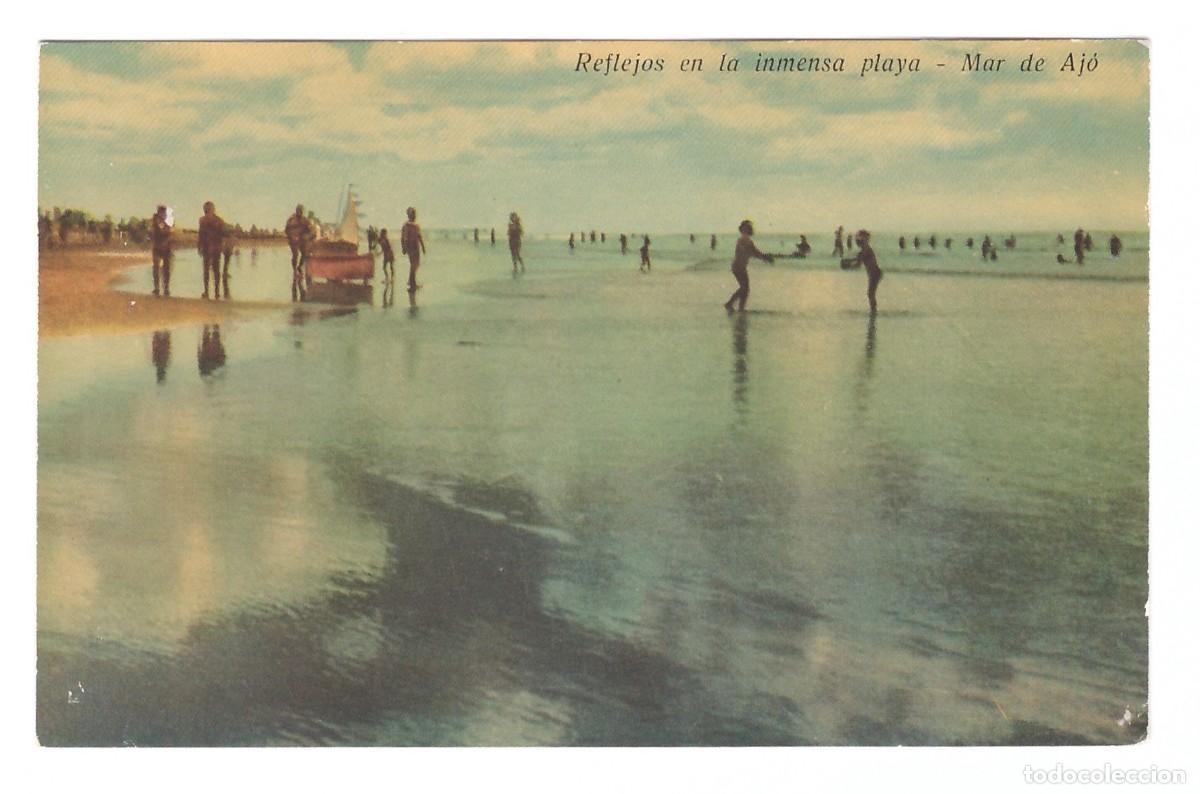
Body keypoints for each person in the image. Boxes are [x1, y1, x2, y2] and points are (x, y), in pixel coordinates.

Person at [724, 220, 774, 311]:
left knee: (745, 288)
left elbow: (754, 252)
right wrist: (765, 257)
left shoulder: (745, 239)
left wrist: (765, 257)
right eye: (748, 227)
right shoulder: (744, 239)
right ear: (744, 229)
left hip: (740, 266)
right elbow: (754, 252)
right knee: (745, 288)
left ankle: (739, 307)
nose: (750, 228)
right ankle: (731, 304)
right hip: (738, 267)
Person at [842, 229, 882, 314]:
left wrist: (848, 265)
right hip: (873, 273)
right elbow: (858, 261)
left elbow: (858, 263)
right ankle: (873, 310)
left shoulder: (866, 249)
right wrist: (848, 262)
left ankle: (873, 311)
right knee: (870, 293)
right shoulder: (864, 250)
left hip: (875, 273)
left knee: (870, 293)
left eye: (860, 239)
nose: (857, 241)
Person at [197, 201, 225, 299]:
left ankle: (208, 291)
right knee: (214, 270)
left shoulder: (203, 220)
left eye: (207, 209)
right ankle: (215, 292)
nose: (206, 210)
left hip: (209, 247)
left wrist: (199, 246)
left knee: (208, 270)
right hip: (213, 247)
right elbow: (222, 235)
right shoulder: (219, 220)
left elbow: (201, 235)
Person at [400, 207, 426, 292]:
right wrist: (404, 248)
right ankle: (412, 284)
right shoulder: (406, 225)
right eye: (413, 214)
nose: (414, 215)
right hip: (410, 247)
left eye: (415, 214)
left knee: (416, 264)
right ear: (409, 215)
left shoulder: (416, 225)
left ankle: (412, 282)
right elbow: (404, 238)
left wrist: (423, 247)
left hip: (416, 247)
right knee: (413, 265)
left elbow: (419, 236)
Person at [150, 204, 173, 297]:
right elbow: (163, 231)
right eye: (162, 213)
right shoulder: (157, 221)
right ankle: (159, 288)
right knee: (158, 268)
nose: (164, 214)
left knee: (165, 269)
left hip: (165, 247)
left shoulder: (164, 221)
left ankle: (164, 288)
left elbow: (168, 232)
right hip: (159, 247)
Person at [285, 204, 312, 276]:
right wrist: (291, 236)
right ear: (296, 210)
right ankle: (294, 270)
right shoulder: (291, 220)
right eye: (298, 210)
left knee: (304, 254)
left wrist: (306, 237)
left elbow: (310, 231)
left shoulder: (306, 220)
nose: (299, 212)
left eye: (301, 210)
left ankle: (300, 267)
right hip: (293, 241)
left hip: (302, 240)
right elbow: (287, 230)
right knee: (295, 255)